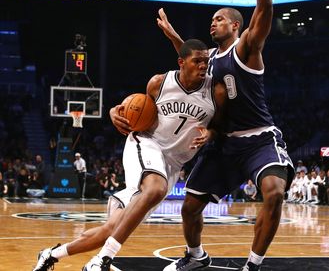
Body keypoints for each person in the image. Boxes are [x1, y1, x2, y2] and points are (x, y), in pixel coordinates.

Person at [157, 0, 295, 271]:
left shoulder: (246, 47)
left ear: (235, 25)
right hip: (223, 143)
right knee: (189, 208)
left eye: (219, 19)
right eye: (212, 20)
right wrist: (174, 37)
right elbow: (191, 63)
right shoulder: (208, 60)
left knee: (275, 193)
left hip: (258, 138)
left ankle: (253, 264)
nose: (212, 22)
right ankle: (197, 257)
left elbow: (265, 7)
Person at [31, 39, 227, 271]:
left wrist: (210, 135)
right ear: (182, 63)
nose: (204, 65)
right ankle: (102, 259)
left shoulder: (216, 92)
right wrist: (115, 111)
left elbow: (219, 126)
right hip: (147, 143)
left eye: (206, 61)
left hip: (173, 165)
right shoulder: (159, 83)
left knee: (112, 228)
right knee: (155, 188)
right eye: (198, 61)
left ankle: (51, 254)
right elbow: (136, 109)